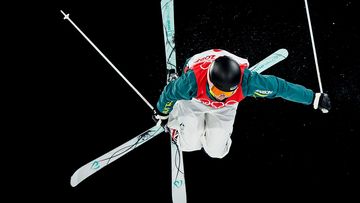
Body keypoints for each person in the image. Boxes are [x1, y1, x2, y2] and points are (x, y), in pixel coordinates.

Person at [153, 49, 331, 158]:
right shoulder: (191, 82)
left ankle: (207, 130)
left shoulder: (248, 83)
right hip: (195, 101)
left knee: (217, 153)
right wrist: (162, 113)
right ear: (209, 82)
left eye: (226, 93)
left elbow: (280, 87)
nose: (220, 97)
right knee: (189, 145)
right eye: (217, 92)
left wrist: (314, 98)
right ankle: (179, 126)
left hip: (227, 109)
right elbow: (169, 94)